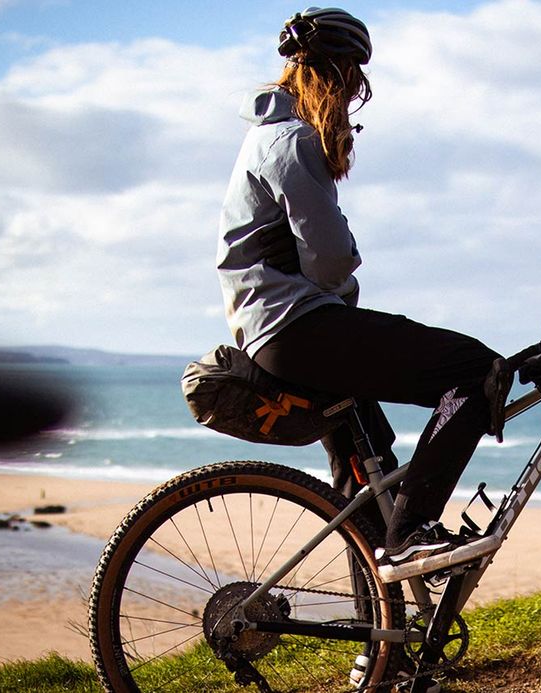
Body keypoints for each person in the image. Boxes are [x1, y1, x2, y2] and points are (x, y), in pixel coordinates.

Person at [217, 7, 500, 569]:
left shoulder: (270, 136)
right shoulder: (293, 142)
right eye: (354, 83)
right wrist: (346, 266)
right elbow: (328, 261)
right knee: (473, 370)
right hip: (297, 326)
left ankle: (380, 645)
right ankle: (413, 529)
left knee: (365, 471)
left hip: (276, 328)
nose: (353, 99)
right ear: (339, 77)